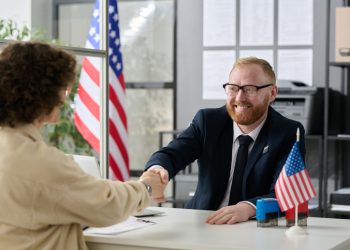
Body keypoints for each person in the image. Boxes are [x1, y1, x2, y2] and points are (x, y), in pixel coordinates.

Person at [0, 41, 166, 249]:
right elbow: (107, 205)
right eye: (63, 87)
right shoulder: (37, 162)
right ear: (45, 93)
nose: (65, 95)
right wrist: (146, 187)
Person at [145, 57, 305, 225]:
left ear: (272, 93)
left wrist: (248, 208)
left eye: (249, 89)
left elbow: (286, 193)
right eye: (233, 88)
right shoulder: (208, 121)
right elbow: (172, 154)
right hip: (203, 222)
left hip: (253, 227)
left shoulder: (288, 132)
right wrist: (158, 169)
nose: (239, 98)